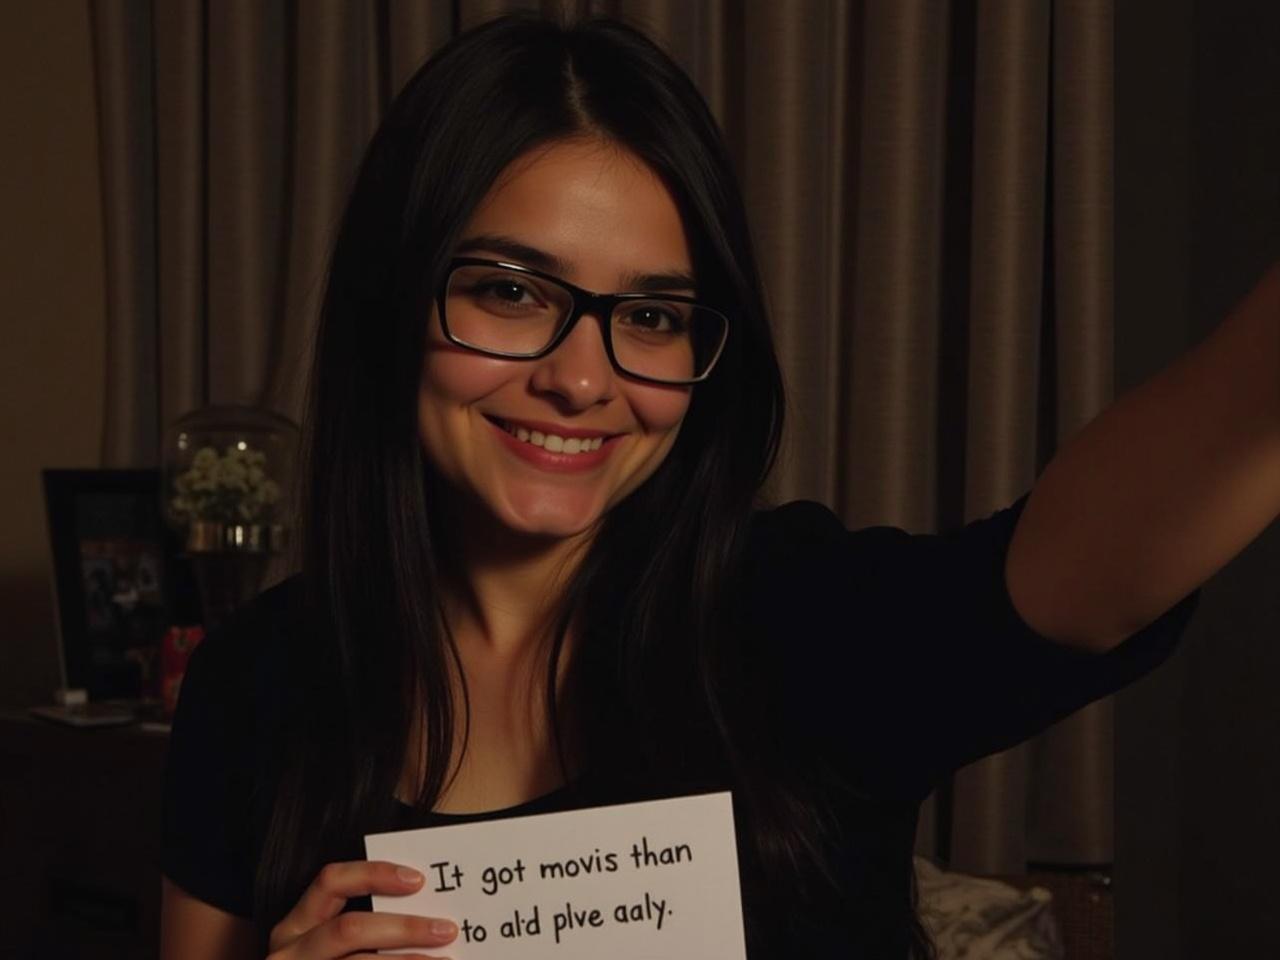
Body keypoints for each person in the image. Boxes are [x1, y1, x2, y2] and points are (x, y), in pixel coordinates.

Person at [159, 13, 1215, 960]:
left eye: (653, 316)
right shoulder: (257, 683)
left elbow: (1094, 575)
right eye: (509, 291)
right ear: (391, 305)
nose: (580, 379)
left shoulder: (802, 624)